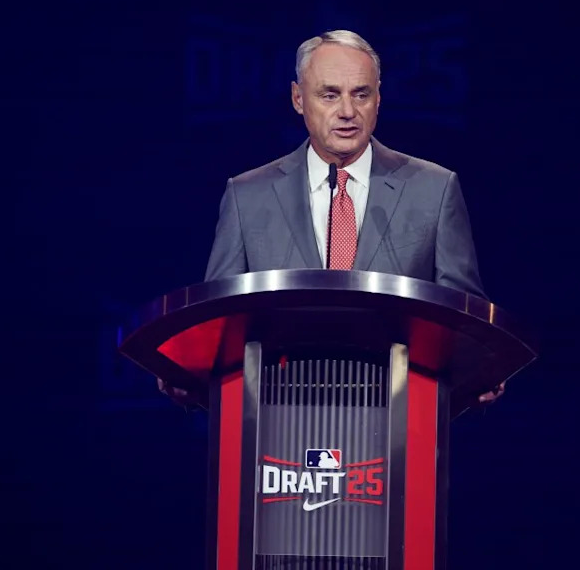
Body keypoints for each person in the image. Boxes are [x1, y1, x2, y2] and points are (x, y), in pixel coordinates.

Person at [159, 29, 503, 404]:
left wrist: (479, 365)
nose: (347, 112)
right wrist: (189, 375)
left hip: (398, 420)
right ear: (298, 99)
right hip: (276, 418)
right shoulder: (247, 196)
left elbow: (462, 316)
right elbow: (219, 319)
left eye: (361, 94)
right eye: (329, 94)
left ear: (378, 99)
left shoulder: (434, 189)